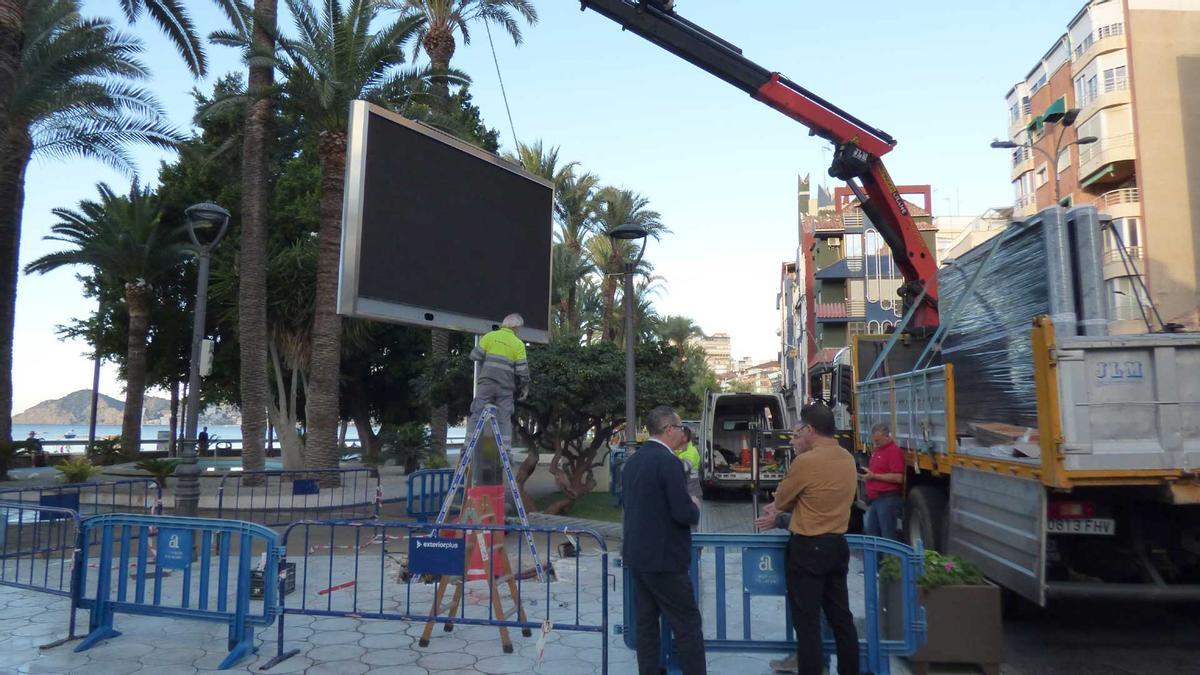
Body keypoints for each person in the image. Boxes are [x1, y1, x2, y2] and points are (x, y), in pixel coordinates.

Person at [758, 403, 858, 675]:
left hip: (808, 547)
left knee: (808, 622)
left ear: (810, 429)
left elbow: (782, 499)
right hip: (838, 545)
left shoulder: (806, 461)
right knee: (841, 618)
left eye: (800, 431)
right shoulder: (847, 458)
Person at [622, 405, 706, 675]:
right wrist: (694, 505)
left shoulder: (633, 460)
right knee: (687, 625)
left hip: (638, 557)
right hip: (666, 560)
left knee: (646, 625)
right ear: (669, 429)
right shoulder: (669, 462)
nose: (683, 432)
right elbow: (683, 513)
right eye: (680, 427)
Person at [466, 313, 531, 447]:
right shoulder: (518, 344)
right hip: (505, 388)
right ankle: (505, 450)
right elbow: (522, 371)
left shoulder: (490, 336)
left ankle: (467, 446)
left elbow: (474, 356)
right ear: (516, 327)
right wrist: (525, 388)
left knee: (477, 414)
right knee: (504, 419)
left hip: (486, 384)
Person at [863, 423, 905, 541]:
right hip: (876, 499)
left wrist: (874, 476)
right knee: (872, 534)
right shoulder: (878, 450)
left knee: (887, 536)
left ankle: (890, 558)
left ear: (887, 437)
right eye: (874, 440)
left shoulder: (893, 451)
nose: (876, 443)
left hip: (887, 498)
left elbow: (898, 477)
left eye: (878, 440)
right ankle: (876, 559)